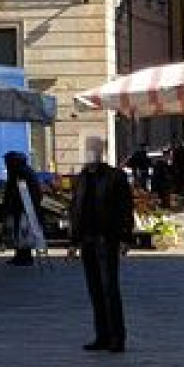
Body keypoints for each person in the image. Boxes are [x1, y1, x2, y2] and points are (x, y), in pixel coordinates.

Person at [72, 136, 135, 354]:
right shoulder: (80, 179)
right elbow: (76, 210)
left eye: (94, 150)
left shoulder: (114, 177)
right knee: (95, 290)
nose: (90, 155)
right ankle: (102, 335)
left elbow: (126, 207)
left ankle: (117, 337)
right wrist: (73, 240)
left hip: (107, 239)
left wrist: (126, 237)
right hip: (87, 240)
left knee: (110, 289)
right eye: (87, 150)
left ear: (101, 153)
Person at [0, 152, 45, 264]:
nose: (5, 164)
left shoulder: (20, 172)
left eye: (7, 161)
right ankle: (20, 255)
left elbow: (18, 191)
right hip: (25, 206)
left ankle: (25, 257)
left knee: (23, 232)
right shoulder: (22, 170)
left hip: (24, 207)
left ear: (13, 162)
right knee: (20, 232)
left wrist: (9, 204)